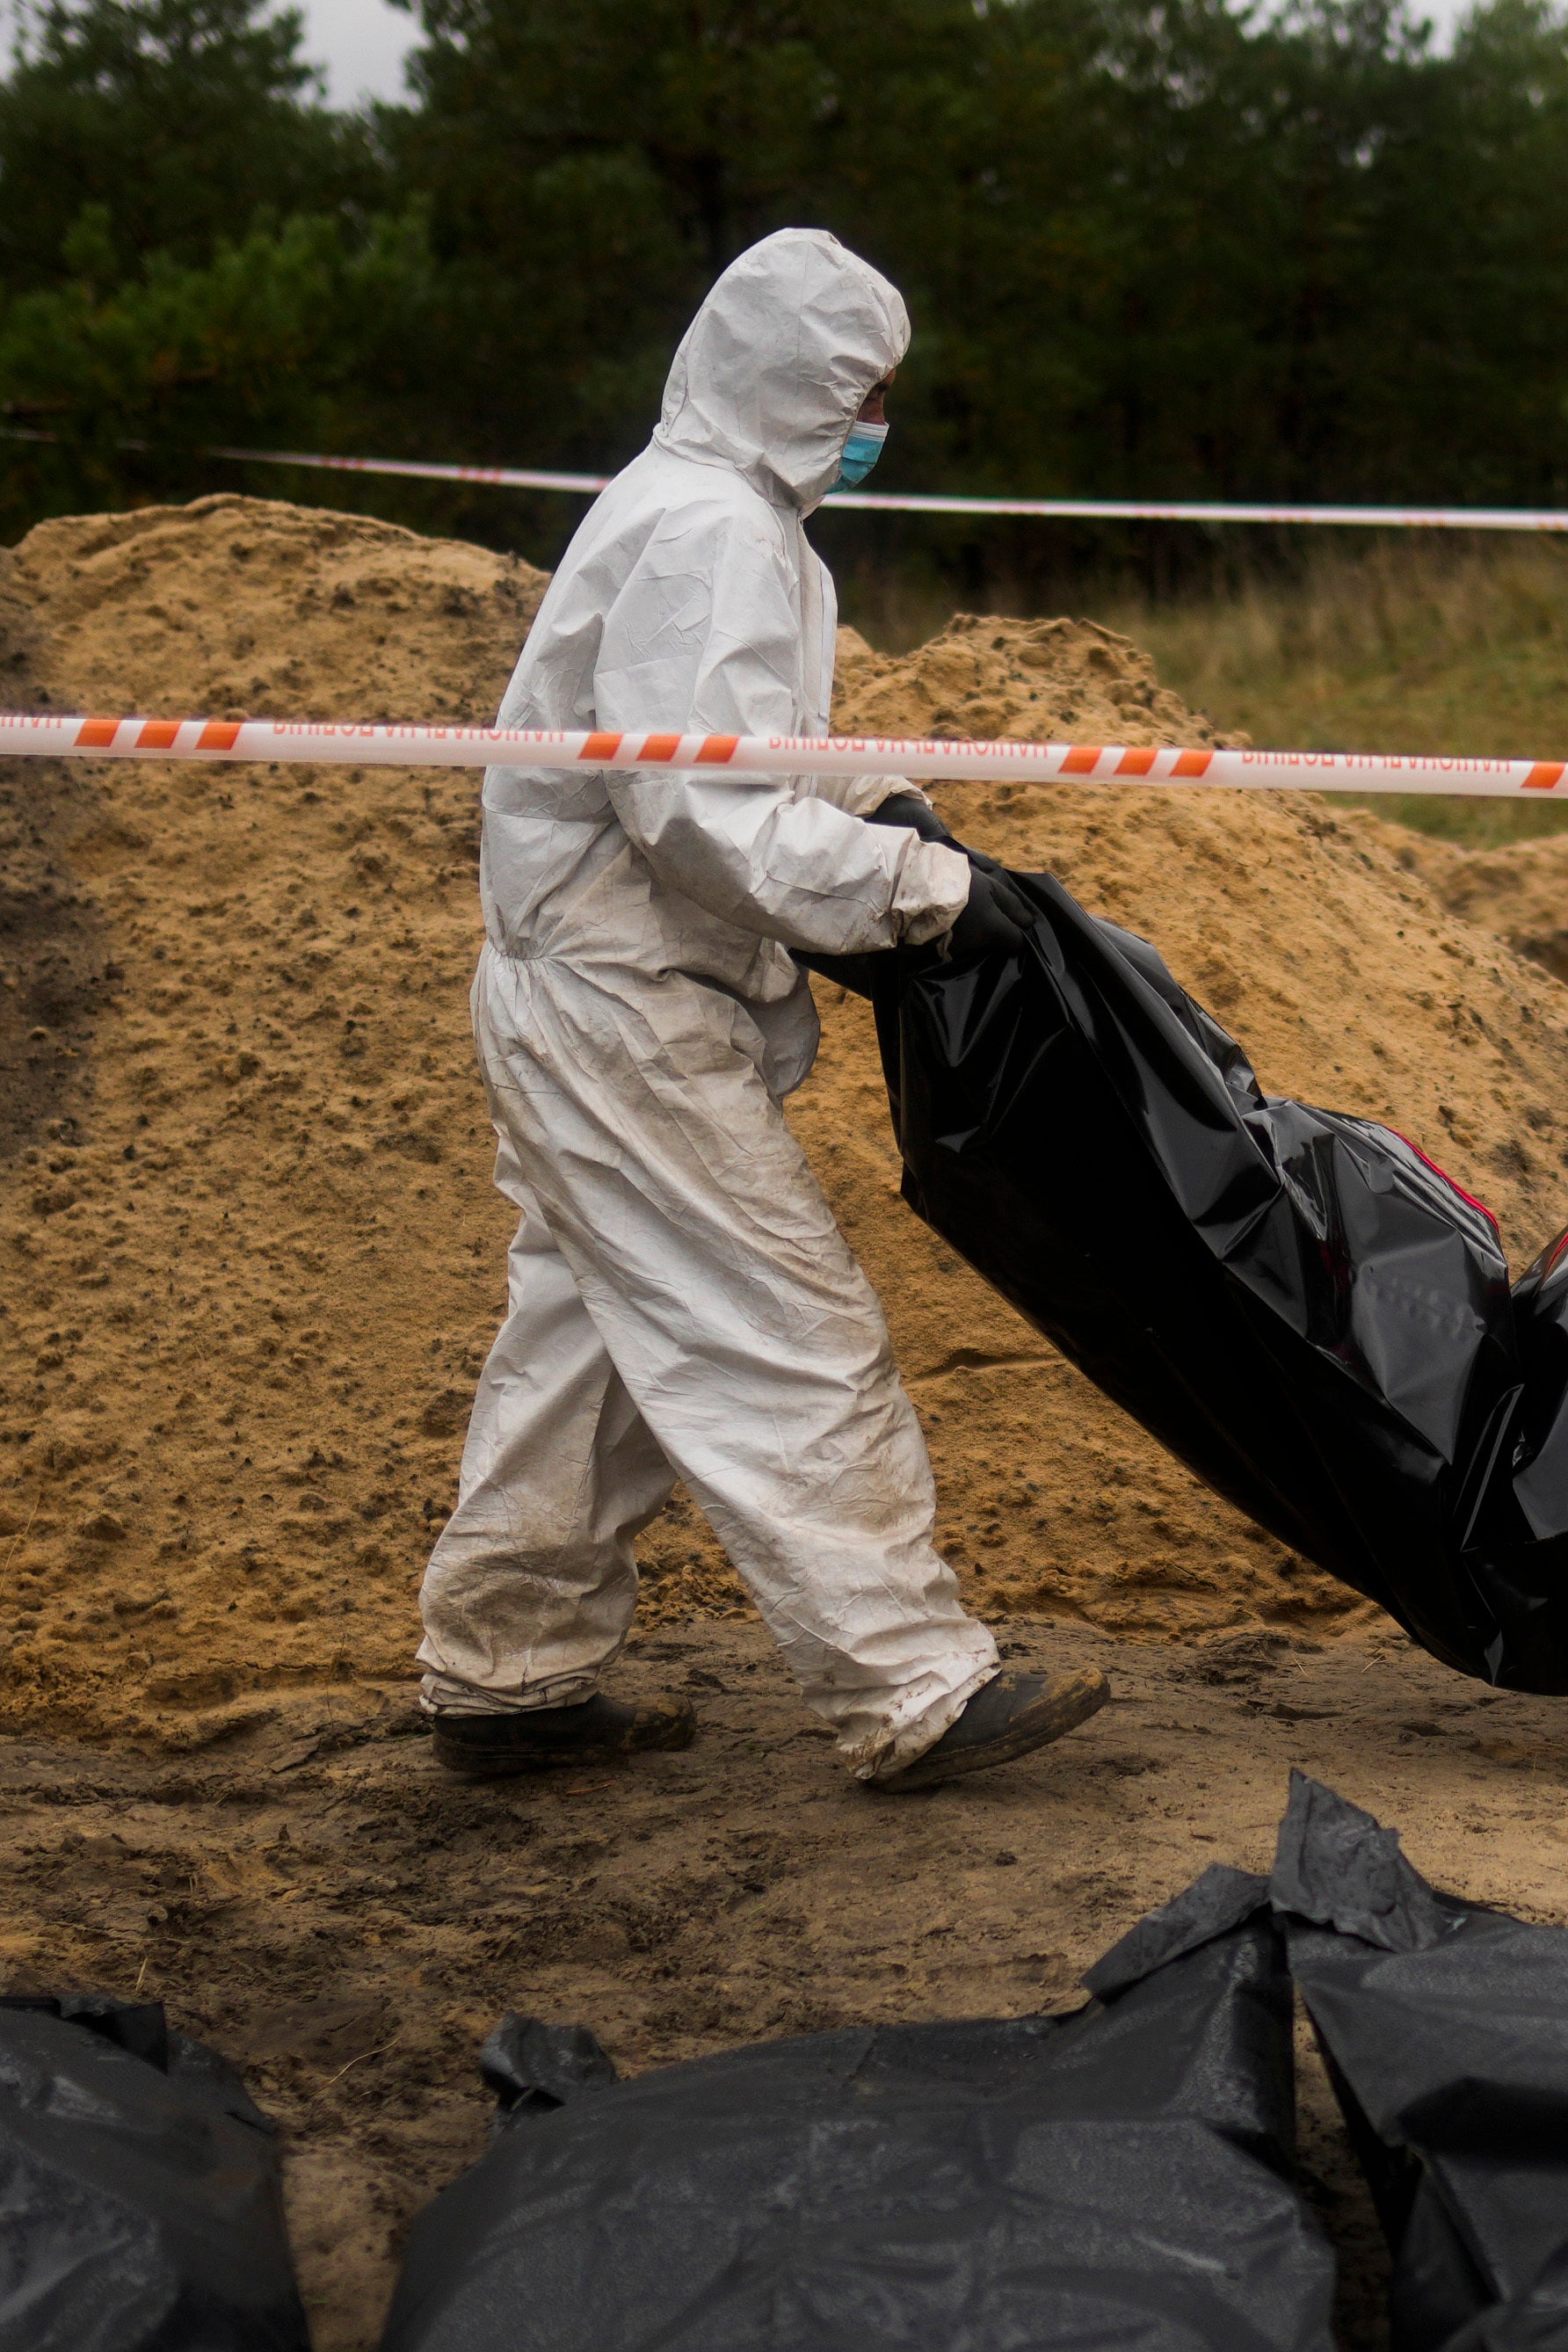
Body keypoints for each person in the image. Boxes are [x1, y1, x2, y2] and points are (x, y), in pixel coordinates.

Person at [412, 229, 1104, 1789]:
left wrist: (887, 807)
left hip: (604, 994)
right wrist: (921, 895)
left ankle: (504, 1674)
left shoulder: (734, 523)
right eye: (859, 391)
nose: (875, 424)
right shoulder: (709, 529)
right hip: (618, 1004)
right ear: (794, 380)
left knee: (591, 1337)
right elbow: (699, 813)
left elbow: (744, 749)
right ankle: (909, 1681)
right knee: (773, 1322)